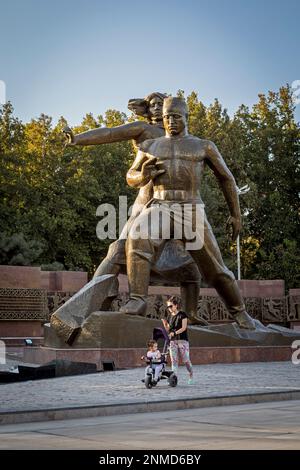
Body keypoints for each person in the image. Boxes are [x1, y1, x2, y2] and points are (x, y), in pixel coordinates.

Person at [64, 92, 202, 323]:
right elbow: (110, 133)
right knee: (118, 251)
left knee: (189, 261)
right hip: (147, 203)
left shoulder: (183, 138)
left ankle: (192, 314)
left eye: (162, 104)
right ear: (146, 110)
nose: (158, 109)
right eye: (153, 105)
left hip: (179, 206)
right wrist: (78, 139)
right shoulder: (145, 131)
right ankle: (91, 305)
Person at [120, 96, 256, 330]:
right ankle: (137, 300)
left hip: (190, 208)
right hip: (160, 206)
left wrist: (236, 215)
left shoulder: (203, 146)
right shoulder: (150, 145)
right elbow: (130, 176)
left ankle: (240, 312)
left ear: (186, 117)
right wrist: (142, 175)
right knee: (137, 237)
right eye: (166, 118)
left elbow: (226, 178)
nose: (171, 122)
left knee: (215, 267)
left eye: (176, 117)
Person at [162, 296, 194, 385]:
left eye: (171, 306)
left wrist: (175, 333)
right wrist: (165, 324)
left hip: (182, 340)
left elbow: (184, 328)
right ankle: (173, 379)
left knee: (186, 360)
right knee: (174, 361)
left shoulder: (182, 315)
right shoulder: (169, 316)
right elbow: (168, 329)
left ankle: (191, 374)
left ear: (176, 305)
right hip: (172, 341)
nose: (169, 308)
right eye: (168, 307)